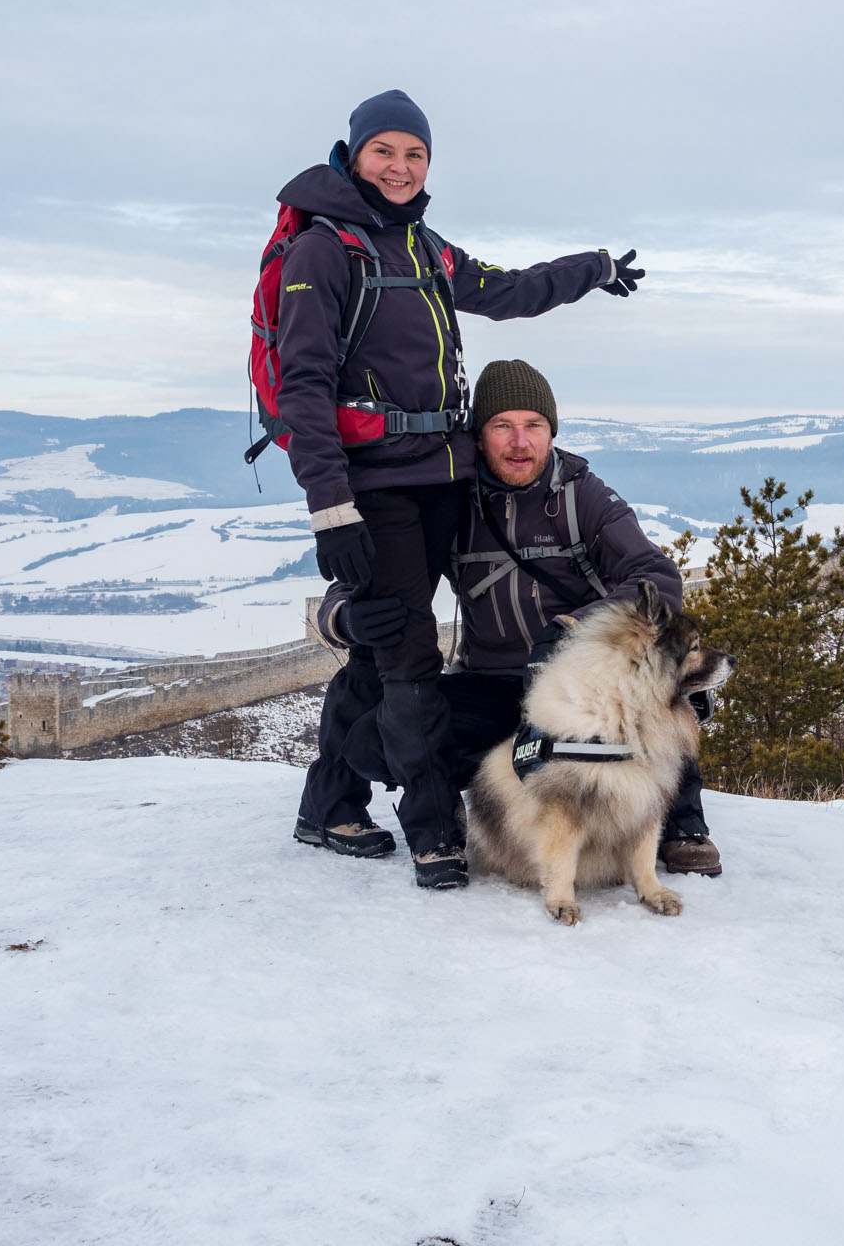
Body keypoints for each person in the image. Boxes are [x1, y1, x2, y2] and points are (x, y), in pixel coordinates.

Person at [282, 90, 645, 889]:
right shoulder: (323, 250)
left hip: (443, 474)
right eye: (385, 152)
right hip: (377, 486)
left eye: (416, 155)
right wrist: (331, 508)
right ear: (353, 155)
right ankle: (432, 828)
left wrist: (596, 269)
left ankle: (327, 800)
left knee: (386, 642)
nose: (401, 167)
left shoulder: (425, 247)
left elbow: (508, 292)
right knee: (407, 656)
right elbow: (300, 386)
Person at [310, 359, 725, 882]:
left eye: (534, 426)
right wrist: (347, 618)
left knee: (659, 704)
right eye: (502, 426)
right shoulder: (450, 503)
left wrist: (575, 630)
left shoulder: (582, 495)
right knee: (374, 742)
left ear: (552, 432)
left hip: (583, 693)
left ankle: (681, 824)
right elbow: (356, 588)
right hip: (494, 685)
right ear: (478, 436)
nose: (519, 442)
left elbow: (656, 575)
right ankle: (471, 804)